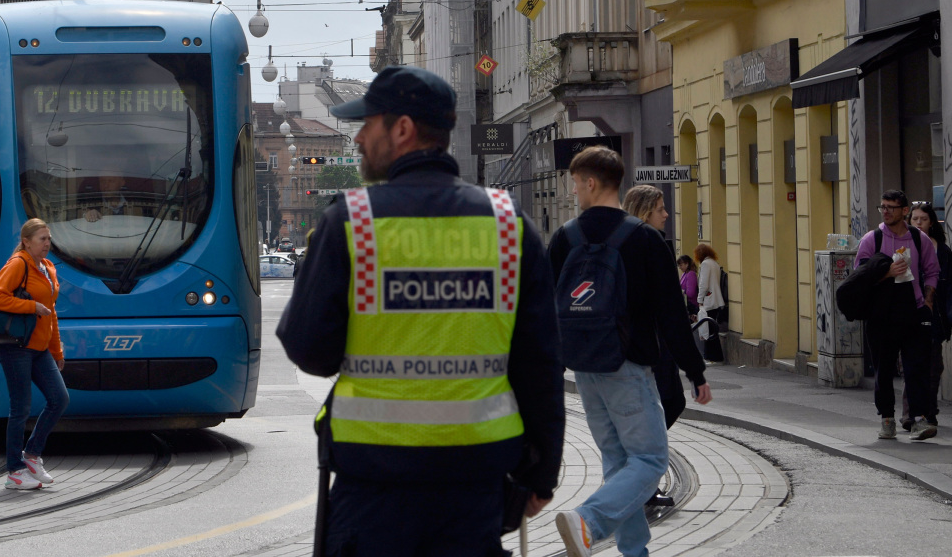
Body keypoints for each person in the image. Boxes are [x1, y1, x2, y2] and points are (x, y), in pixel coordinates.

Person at [277, 65, 566, 557]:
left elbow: (311, 350)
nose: (362, 138)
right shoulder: (507, 224)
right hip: (476, 481)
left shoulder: (350, 222)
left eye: (369, 123)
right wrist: (543, 473)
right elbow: (540, 361)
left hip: (373, 483)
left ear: (403, 129)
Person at [550, 147, 710, 557]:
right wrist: (696, 372)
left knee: (620, 464)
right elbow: (672, 314)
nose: (573, 191)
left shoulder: (565, 238)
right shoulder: (643, 238)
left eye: (574, 182)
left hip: (585, 369)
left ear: (589, 182)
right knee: (651, 460)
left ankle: (634, 552)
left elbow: (543, 309)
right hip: (628, 366)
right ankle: (589, 521)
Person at [621, 184, 692, 509]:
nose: (666, 214)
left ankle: (639, 472)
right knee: (669, 402)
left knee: (667, 404)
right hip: (649, 344)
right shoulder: (649, 245)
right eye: (661, 209)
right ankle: (639, 476)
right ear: (645, 210)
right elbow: (667, 305)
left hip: (644, 343)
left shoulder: (625, 242)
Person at [0, 218, 69, 491]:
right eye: (42, 239)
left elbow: (52, 312)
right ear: (26, 241)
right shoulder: (18, 264)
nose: (47, 244)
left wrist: (56, 349)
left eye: (48, 239)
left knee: (59, 399)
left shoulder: (47, 268)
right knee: (20, 408)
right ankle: (14, 471)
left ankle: (32, 455)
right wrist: (31, 306)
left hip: (40, 348)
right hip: (16, 347)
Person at [856, 190, 940, 441]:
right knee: (883, 370)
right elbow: (859, 274)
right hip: (881, 315)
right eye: (883, 207)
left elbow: (932, 270)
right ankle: (887, 419)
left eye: (891, 207)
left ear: (905, 211)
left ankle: (920, 419)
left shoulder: (918, 238)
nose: (886, 211)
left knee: (916, 367)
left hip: (913, 312)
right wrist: (886, 273)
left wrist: (927, 299)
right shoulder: (873, 239)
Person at [903, 201, 952, 431]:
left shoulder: (942, 250)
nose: (919, 223)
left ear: (931, 223)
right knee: (912, 364)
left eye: (924, 219)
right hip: (910, 314)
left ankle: (929, 411)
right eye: (915, 219)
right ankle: (910, 414)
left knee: (933, 367)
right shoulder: (904, 245)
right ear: (909, 221)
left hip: (934, 316)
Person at [694, 244, 726, 361]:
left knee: (709, 330)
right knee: (712, 329)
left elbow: (703, 284)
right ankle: (714, 356)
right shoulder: (714, 263)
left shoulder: (705, 264)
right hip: (716, 300)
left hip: (709, 301)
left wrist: (699, 300)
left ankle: (713, 357)